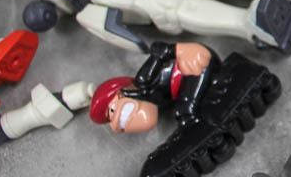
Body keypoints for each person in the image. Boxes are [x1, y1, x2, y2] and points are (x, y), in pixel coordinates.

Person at [88, 41, 216, 133]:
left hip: (195, 64)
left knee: (185, 112)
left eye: (112, 110)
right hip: (193, 77)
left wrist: (178, 50)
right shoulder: (157, 103)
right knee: (185, 109)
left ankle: (198, 133)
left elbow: (158, 52)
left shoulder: (143, 81)